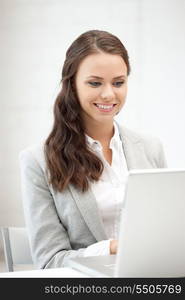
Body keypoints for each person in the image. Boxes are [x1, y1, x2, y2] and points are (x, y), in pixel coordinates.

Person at [19, 29, 167, 269]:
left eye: (118, 82)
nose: (109, 94)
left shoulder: (151, 148)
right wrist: (111, 248)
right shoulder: (37, 162)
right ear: (72, 84)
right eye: (95, 83)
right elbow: (49, 261)